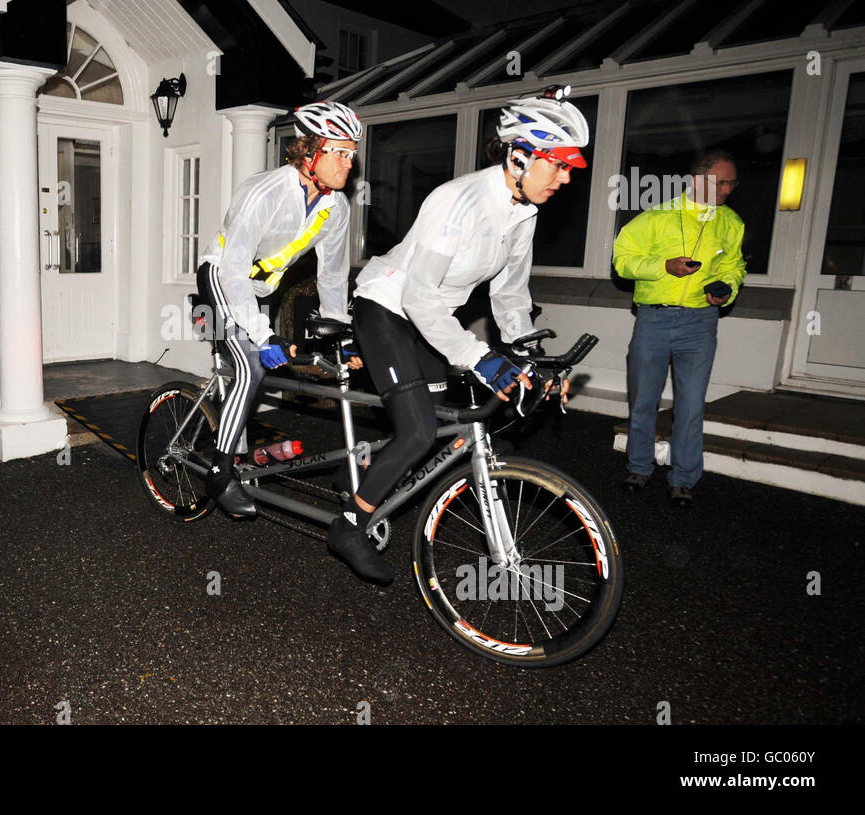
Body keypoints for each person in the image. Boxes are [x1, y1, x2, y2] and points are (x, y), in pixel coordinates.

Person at [336, 85, 588, 584]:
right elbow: (418, 297)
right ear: (520, 158)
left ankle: (381, 475)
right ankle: (350, 524)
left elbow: (511, 295)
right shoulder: (458, 201)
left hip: (434, 323)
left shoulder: (524, 213)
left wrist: (530, 354)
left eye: (569, 168)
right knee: (419, 430)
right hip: (388, 308)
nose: (564, 178)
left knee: (443, 422)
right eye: (557, 164)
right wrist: (479, 356)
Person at [197, 101, 364, 517]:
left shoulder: (336, 208)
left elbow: (331, 277)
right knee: (253, 363)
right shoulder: (263, 192)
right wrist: (264, 335)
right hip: (221, 277)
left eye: (352, 154)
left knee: (253, 369)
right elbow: (233, 273)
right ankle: (219, 473)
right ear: (310, 152)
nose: (349, 163)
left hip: (261, 290)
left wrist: (339, 335)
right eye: (340, 152)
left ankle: (220, 437)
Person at [612, 148, 746, 507]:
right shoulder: (657, 217)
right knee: (644, 400)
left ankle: (683, 479)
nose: (727, 190)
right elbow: (622, 261)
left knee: (691, 405)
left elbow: (733, 267)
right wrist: (663, 266)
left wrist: (727, 289)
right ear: (696, 181)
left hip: (700, 322)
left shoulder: (730, 223)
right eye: (721, 182)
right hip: (653, 320)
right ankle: (639, 467)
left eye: (732, 183)